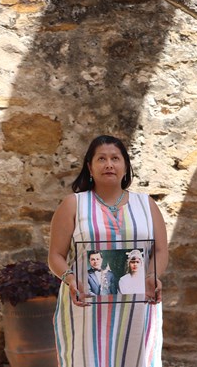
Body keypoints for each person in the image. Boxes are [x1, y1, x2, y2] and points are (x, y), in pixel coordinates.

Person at [48, 135, 168, 367]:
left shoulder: (147, 205)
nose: (109, 164)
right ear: (90, 168)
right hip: (86, 305)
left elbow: (161, 250)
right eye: (101, 159)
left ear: (125, 167)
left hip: (137, 306)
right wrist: (71, 279)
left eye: (115, 158)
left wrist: (152, 276)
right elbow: (55, 256)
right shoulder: (73, 204)